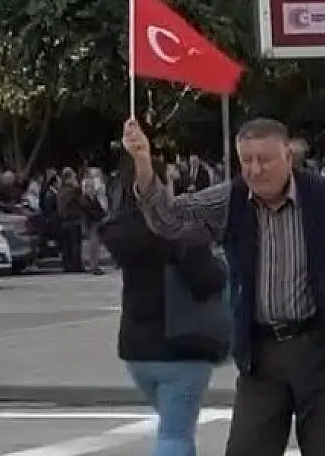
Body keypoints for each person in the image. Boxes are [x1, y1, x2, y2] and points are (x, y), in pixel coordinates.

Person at [122, 116, 325, 456]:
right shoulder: (232, 199)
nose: (255, 170)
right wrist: (142, 162)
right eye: (246, 161)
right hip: (261, 355)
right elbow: (169, 221)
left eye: (265, 160)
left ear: (287, 156)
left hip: (322, 351)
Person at [103, 154, 227, 456]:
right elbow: (206, 280)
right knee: (175, 435)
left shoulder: (120, 230)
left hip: (137, 349)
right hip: (182, 347)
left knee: (177, 430)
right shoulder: (178, 230)